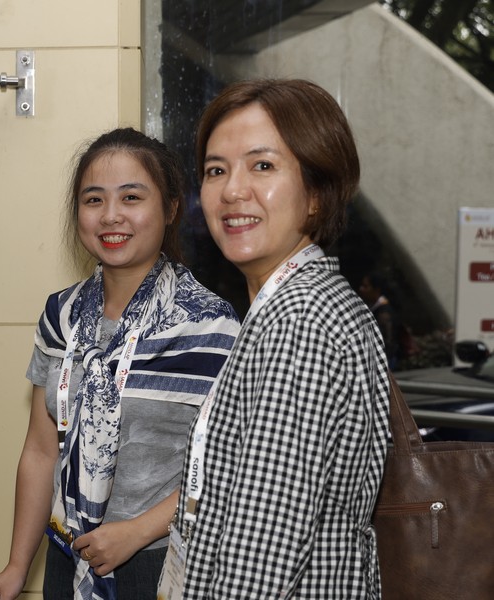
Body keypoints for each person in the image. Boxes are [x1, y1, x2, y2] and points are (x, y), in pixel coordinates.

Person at [0, 128, 240, 600]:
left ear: (170, 208)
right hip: (68, 556)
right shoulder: (62, 315)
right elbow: (41, 450)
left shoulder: (209, 324)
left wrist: (137, 531)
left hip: (163, 560)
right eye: (94, 199)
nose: (111, 215)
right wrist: (18, 566)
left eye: (131, 197)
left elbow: (229, 466)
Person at [159, 79, 391, 598]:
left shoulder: (301, 319)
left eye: (262, 165)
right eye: (216, 170)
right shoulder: (298, 303)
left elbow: (261, 556)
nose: (232, 190)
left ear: (317, 194)